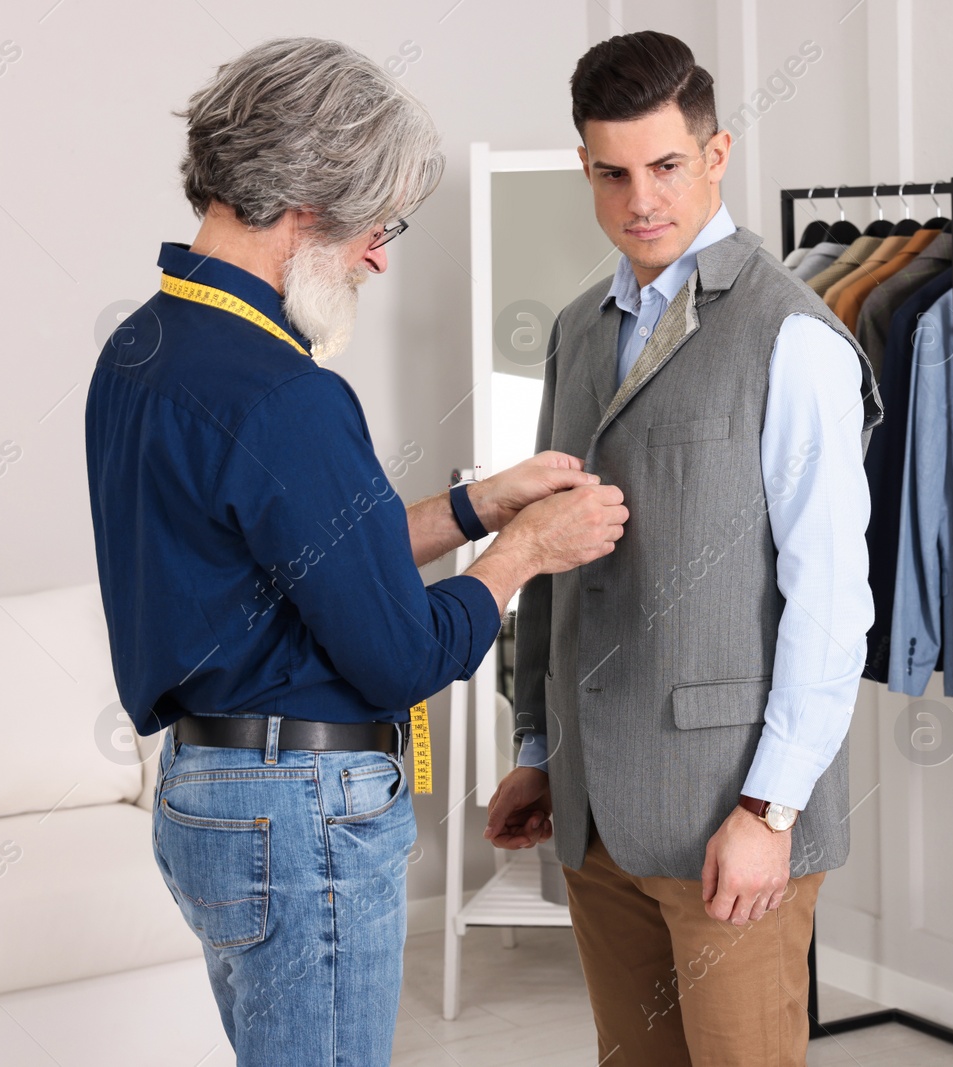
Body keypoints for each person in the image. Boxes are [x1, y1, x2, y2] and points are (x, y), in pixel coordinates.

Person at [83, 37, 627, 1067]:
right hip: (300, 820)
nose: (381, 255)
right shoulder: (283, 392)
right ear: (306, 205)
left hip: (209, 795)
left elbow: (299, 564)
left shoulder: (143, 348)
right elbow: (398, 655)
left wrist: (474, 505)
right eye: (381, 225)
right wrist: (521, 554)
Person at [485, 31, 882, 1067]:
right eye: (611, 172)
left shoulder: (790, 337)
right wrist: (536, 749)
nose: (640, 199)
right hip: (592, 814)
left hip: (729, 814)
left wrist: (769, 806)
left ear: (716, 153)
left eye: (665, 165)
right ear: (585, 169)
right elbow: (546, 558)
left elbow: (831, 598)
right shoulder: (576, 328)